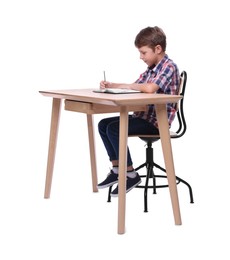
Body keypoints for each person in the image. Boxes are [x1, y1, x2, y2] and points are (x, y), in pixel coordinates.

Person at [97, 26, 180, 197]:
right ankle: (116, 169)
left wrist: (130, 86)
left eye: (143, 53)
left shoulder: (168, 67)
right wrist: (113, 86)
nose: (141, 57)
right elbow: (135, 86)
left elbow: (149, 88)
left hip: (156, 123)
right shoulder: (152, 69)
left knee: (114, 128)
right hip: (143, 117)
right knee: (103, 124)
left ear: (158, 49)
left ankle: (130, 174)